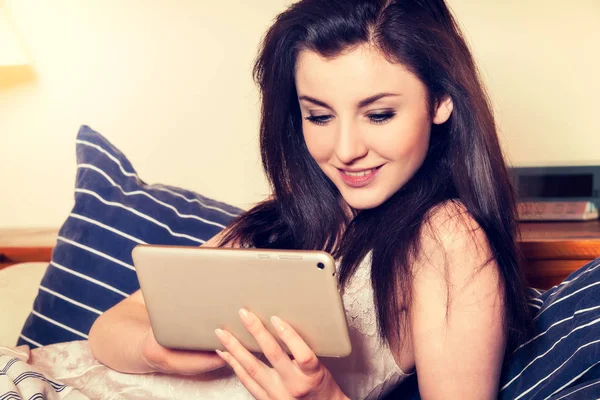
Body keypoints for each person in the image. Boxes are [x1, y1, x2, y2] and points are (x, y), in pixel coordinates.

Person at [89, 0, 534, 398]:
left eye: (378, 114)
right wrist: (155, 352)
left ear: (440, 101)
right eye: (318, 116)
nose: (344, 150)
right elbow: (107, 329)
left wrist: (325, 396)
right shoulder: (284, 217)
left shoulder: (448, 237)